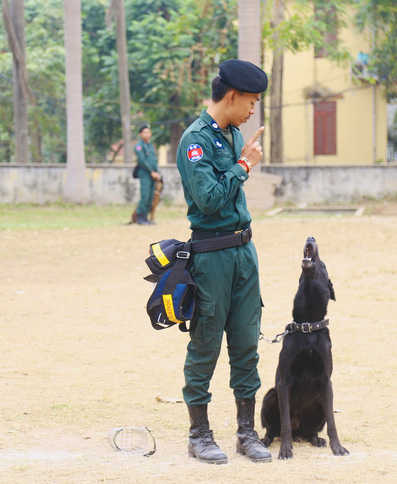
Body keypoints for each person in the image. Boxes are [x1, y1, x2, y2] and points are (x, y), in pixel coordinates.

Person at [175, 59, 271, 465]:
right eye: (251, 101)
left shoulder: (233, 135)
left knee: (247, 342)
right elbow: (209, 199)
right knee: (206, 343)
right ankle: (199, 434)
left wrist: (240, 160)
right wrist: (244, 166)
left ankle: (247, 433)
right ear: (232, 96)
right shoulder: (194, 140)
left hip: (243, 252)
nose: (253, 111)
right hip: (211, 254)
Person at [133, 124, 161, 225]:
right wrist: (151, 171)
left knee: (150, 196)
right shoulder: (139, 146)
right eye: (145, 132)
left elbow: (153, 160)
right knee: (145, 195)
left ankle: (145, 217)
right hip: (145, 173)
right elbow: (142, 161)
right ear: (140, 134)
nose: (147, 134)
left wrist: (157, 172)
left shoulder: (150, 145)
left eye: (149, 132)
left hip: (153, 174)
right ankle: (140, 217)